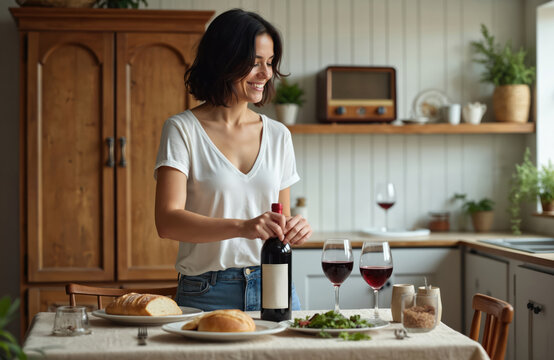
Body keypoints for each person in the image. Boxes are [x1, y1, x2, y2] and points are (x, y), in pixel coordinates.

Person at [154, 8, 312, 312]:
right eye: (254, 63)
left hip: (275, 283)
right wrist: (243, 226)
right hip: (207, 292)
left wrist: (293, 228)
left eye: (269, 63)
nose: (266, 74)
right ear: (224, 62)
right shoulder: (182, 129)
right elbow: (167, 221)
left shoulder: (278, 135)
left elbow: (278, 221)